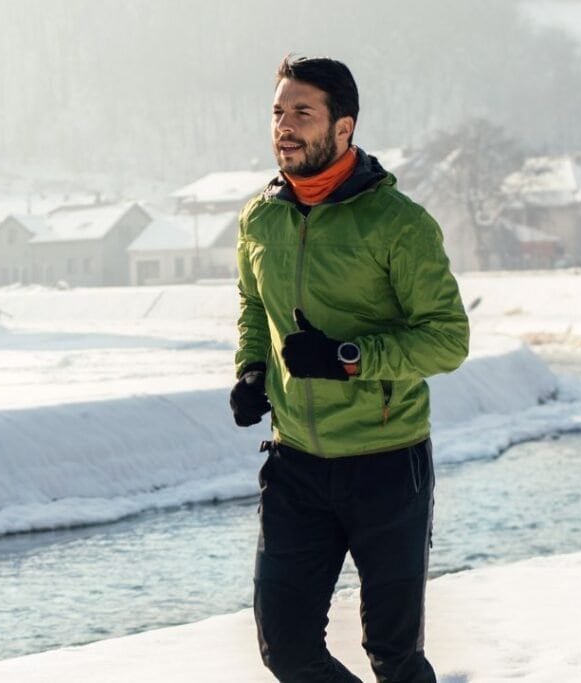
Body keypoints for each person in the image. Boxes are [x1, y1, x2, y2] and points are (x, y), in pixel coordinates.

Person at [229, 55, 469, 683]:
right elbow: (255, 304)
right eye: (278, 112)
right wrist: (252, 368)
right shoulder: (260, 217)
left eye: (302, 113)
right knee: (286, 650)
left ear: (343, 128)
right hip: (295, 464)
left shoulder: (399, 224)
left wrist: (349, 358)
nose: (285, 126)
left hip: (387, 464)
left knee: (394, 656)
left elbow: (447, 340)